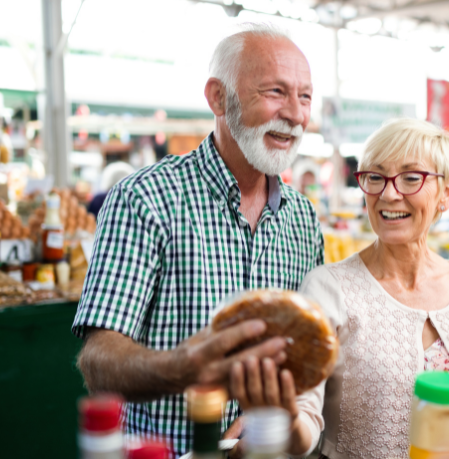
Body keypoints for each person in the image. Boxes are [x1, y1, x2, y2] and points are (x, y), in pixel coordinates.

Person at [71, 24, 324, 457]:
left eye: (304, 97)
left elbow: (304, 357)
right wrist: (184, 366)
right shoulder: (145, 198)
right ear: (218, 98)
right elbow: (98, 361)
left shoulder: (302, 218)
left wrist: (275, 417)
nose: (296, 115)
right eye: (276, 92)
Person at [230, 118, 449, 458]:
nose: (388, 194)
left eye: (411, 178)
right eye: (375, 177)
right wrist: (281, 418)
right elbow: (307, 421)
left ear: (447, 193)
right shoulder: (330, 289)